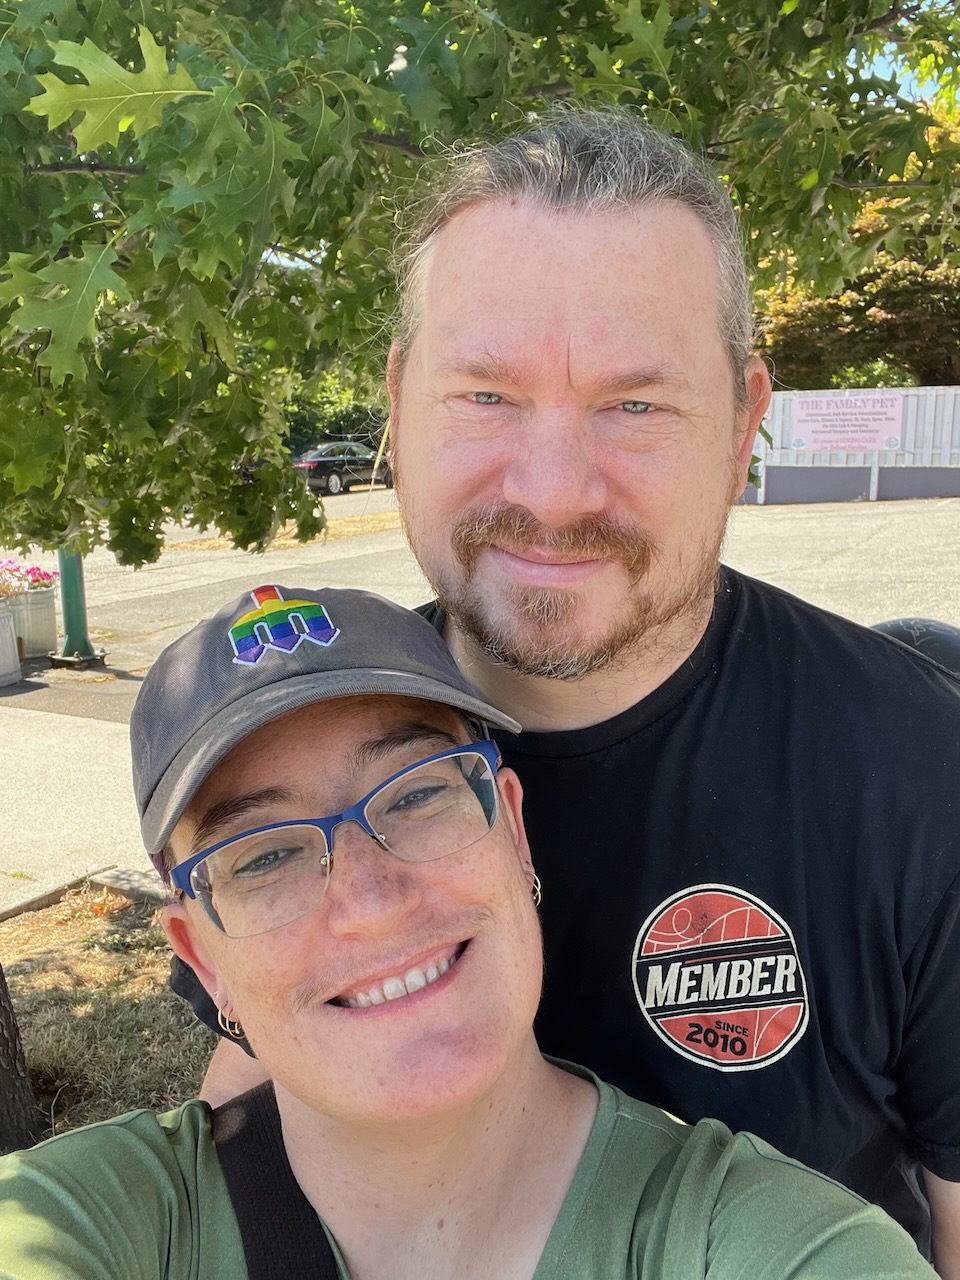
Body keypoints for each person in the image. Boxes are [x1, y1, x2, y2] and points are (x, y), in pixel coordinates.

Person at [171, 109, 960, 1271]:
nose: (550, 490)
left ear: (744, 423)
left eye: (634, 404)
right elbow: (249, 1122)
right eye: (486, 395)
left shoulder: (920, 768)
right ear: (397, 402)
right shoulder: (276, 753)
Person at [0, 584, 937, 1279]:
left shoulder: (780, 1248)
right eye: (264, 856)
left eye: (416, 795)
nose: (369, 898)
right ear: (205, 961)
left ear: (515, 829)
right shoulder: (80, 1227)